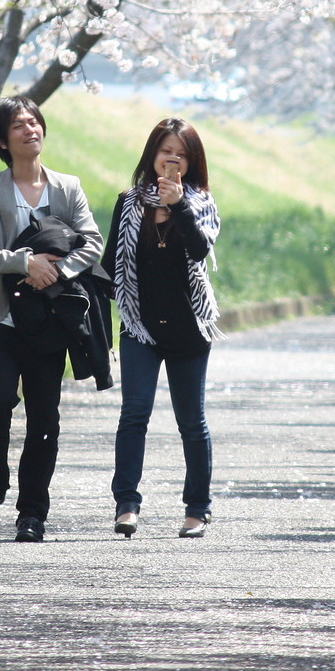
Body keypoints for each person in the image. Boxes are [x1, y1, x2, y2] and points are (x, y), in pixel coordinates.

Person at [0, 95, 104, 543]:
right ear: (3, 140)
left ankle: (33, 512)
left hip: (49, 321)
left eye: (34, 122)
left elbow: (92, 244)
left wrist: (57, 271)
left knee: (45, 415)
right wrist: (26, 263)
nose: (31, 129)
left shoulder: (67, 186)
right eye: (19, 125)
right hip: (1, 320)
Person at [101, 118, 221, 539]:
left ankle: (197, 509)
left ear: (192, 162)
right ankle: (127, 505)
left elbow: (200, 248)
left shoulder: (201, 202)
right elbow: (110, 263)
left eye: (182, 153)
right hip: (140, 324)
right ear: (152, 155)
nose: (173, 158)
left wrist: (179, 205)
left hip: (189, 327)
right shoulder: (129, 201)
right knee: (134, 413)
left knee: (192, 421)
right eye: (165, 150)